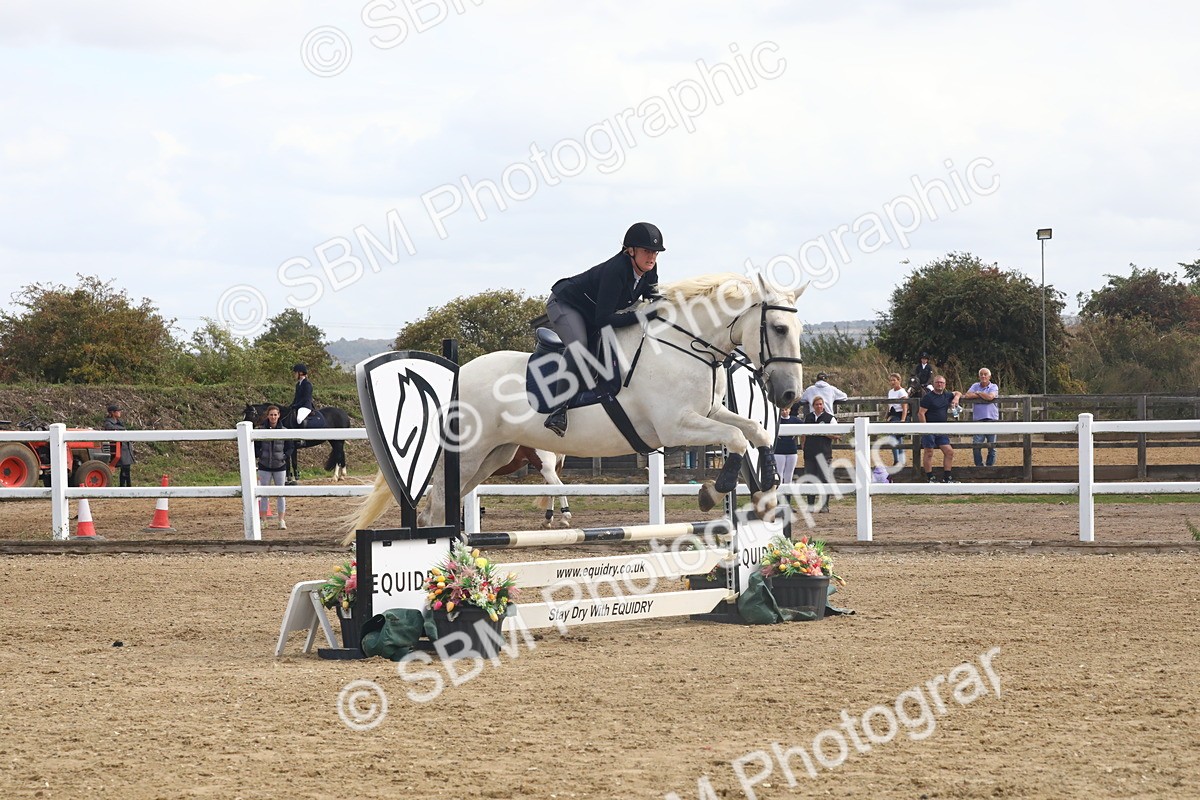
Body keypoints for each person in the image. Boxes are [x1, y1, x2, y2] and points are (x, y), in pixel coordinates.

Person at [542, 222, 664, 436]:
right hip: (565, 304)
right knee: (580, 347)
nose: (652, 257)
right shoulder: (616, 270)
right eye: (647, 251)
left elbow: (655, 302)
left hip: (590, 312)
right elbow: (604, 320)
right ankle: (557, 411)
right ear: (631, 251)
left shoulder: (649, 270)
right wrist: (640, 316)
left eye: (655, 252)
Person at [918, 375, 962, 483]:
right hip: (929, 429)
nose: (939, 384)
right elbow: (921, 413)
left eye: (942, 383)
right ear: (934, 384)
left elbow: (958, 392)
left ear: (945, 384)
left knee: (949, 452)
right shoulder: (928, 397)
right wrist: (925, 429)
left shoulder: (947, 395)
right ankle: (930, 478)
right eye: (937, 382)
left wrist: (956, 398)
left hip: (941, 430)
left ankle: (947, 478)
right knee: (929, 452)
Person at [800, 395, 839, 513]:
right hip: (810, 454)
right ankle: (811, 505)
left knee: (824, 479)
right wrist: (804, 447)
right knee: (810, 479)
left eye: (821, 404)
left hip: (824, 453)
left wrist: (823, 432)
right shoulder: (808, 417)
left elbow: (837, 435)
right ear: (813, 406)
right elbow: (803, 433)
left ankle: (824, 505)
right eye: (817, 404)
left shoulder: (830, 418)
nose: (819, 406)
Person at [255, 405, 290, 529]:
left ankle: (281, 520)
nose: (273, 417)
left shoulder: (284, 430)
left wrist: (284, 456)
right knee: (264, 494)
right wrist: (260, 455)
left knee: (281, 494)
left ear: (279, 415)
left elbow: (290, 447)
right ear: (268, 416)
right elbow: (255, 446)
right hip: (264, 465)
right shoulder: (260, 430)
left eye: (275, 415)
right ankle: (263, 520)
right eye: (271, 415)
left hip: (280, 465)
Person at [964, 367, 1000, 467]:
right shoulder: (975, 385)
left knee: (992, 446)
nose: (983, 376)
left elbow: (990, 397)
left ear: (989, 376)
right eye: (981, 374)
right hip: (978, 420)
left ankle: (989, 466)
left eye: (985, 374)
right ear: (979, 376)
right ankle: (979, 466)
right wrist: (982, 394)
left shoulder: (994, 386)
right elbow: (967, 395)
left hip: (991, 419)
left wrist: (978, 393)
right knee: (976, 445)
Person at [102, 403, 135, 487]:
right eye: (118, 411)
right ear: (112, 413)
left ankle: (128, 486)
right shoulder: (108, 423)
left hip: (125, 447)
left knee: (127, 468)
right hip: (118, 448)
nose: (119, 412)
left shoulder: (119, 422)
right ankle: (123, 487)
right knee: (124, 468)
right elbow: (113, 431)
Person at [773, 404, 800, 506]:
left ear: (789, 410)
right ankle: (779, 502)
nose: (784, 412)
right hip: (778, 451)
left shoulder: (795, 420)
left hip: (792, 451)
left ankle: (787, 503)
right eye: (782, 410)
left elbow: (805, 429)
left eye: (786, 409)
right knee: (779, 475)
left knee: (789, 477)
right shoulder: (776, 421)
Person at [884, 372, 908, 466]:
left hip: (899, 415)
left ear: (899, 380)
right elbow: (889, 405)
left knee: (894, 437)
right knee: (897, 438)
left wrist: (903, 420)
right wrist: (886, 416)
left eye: (894, 380)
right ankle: (899, 460)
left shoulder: (902, 392)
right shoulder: (890, 392)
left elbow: (905, 407)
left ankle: (897, 460)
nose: (892, 382)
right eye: (891, 380)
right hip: (892, 415)